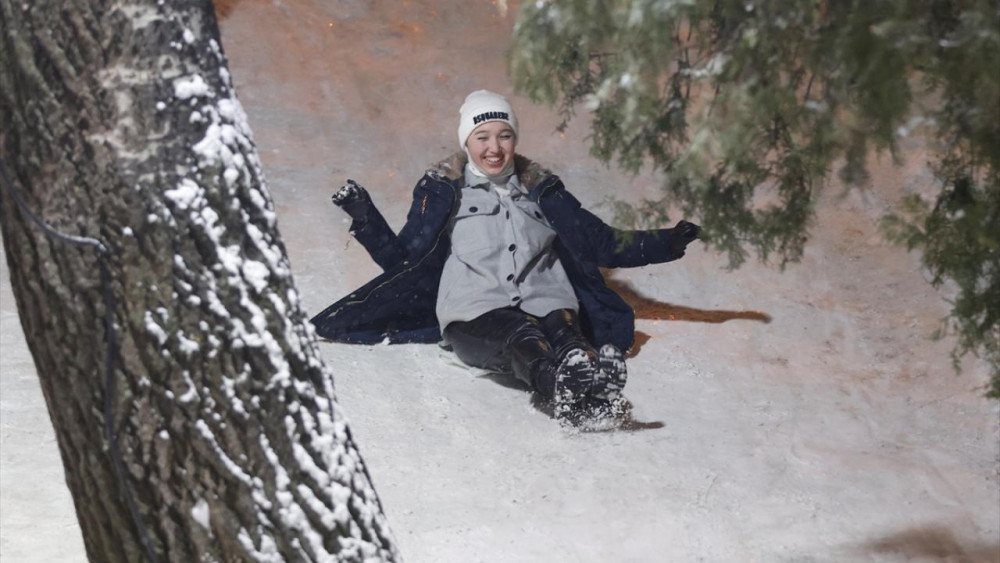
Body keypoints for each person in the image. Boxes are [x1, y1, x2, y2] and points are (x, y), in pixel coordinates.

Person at [311, 90, 700, 425]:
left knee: (565, 330)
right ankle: (556, 385)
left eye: (504, 136)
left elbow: (598, 241)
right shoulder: (446, 193)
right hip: (475, 311)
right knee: (523, 337)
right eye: (482, 137)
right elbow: (403, 260)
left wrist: (667, 242)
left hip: (547, 300)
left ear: (514, 139)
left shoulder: (543, 191)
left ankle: (594, 381)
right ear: (467, 142)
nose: (493, 148)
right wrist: (365, 217)